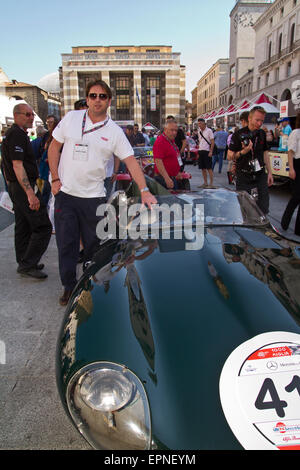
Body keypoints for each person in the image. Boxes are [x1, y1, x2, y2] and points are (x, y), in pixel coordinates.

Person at [48, 79, 157, 306]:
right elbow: (53, 147)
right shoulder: (71, 119)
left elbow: (132, 162)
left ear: (109, 101)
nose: (97, 100)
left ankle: (88, 286)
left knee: (93, 247)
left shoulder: (115, 132)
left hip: (94, 198)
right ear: (87, 98)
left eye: (102, 96)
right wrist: (55, 178)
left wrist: (145, 190)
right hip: (66, 195)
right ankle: (68, 287)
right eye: (93, 95)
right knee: (67, 245)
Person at [1, 103, 52, 279]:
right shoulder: (16, 135)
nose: (31, 117)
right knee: (43, 226)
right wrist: (30, 193)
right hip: (24, 187)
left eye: (32, 114)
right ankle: (28, 263)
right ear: (17, 116)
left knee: (23, 226)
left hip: (19, 187)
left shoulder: (15, 134)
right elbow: (17, 165)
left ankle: (24, 261)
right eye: (27, 114)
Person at [228, 106, 273, 214]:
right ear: (249, 118)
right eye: (257, 120)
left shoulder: (261, 133)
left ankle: (262, 227)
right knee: (244, 206)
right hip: (244, 174)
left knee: (263, 206)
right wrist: (243, 152)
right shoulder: (238, 135)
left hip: (260, 173)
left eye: (262, 121)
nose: (259, 123)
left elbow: (265, 153)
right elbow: (230, 156)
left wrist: (270, 173)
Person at [281, 112, 300, 236]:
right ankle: (285, 222)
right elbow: (290, 152)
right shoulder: (295, 133)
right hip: (297, 164)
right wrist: (291, 169)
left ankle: (298, 229)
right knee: (296, 197)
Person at [153, 120, 184, 189]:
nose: (174, 133)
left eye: (176, 130)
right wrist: (166, 178)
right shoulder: (160, 142)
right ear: (165, 130)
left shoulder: (171, 141)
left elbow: (175, 156)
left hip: (172, 178)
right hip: (163, 179)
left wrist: (178, 171)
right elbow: (158, 162)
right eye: (172, 130)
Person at [197, 118, 215, 187]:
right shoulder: (199, 131)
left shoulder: (209, 131)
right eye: (198, 124)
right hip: (201, 150)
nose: (199, 125)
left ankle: (211, 183)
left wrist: (211, 151)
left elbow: (212, 142)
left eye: (200, 123)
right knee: (203, 168)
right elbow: (200, 141)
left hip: (207, 151)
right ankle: (205, 183)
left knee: (209, 168)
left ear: (204, 123)